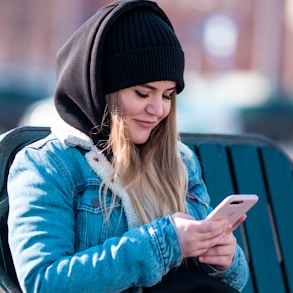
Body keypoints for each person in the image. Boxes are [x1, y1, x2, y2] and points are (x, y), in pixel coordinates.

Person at [7, 0, 249, 292]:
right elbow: (45, 282)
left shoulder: (180, 162)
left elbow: (230, 280)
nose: (158, 109)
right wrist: (165, 242)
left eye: (168, 95)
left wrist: (225, 259)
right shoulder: (48, 165)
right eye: (143, 93)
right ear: (100, 89)